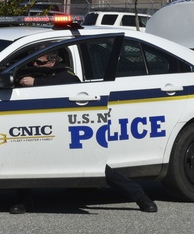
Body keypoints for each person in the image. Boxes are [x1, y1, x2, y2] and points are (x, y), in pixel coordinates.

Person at [8, 50, 158, 214]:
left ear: (52, 61)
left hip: (67, 128)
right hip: (44, 127)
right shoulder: (34, 73)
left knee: (99, 166)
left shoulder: (63, 73)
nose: (34, 66)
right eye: (32, 63)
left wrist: (35, 83)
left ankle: (142, 198)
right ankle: (24, 201)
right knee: (28, 162)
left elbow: (68, 83)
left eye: (39, 63)